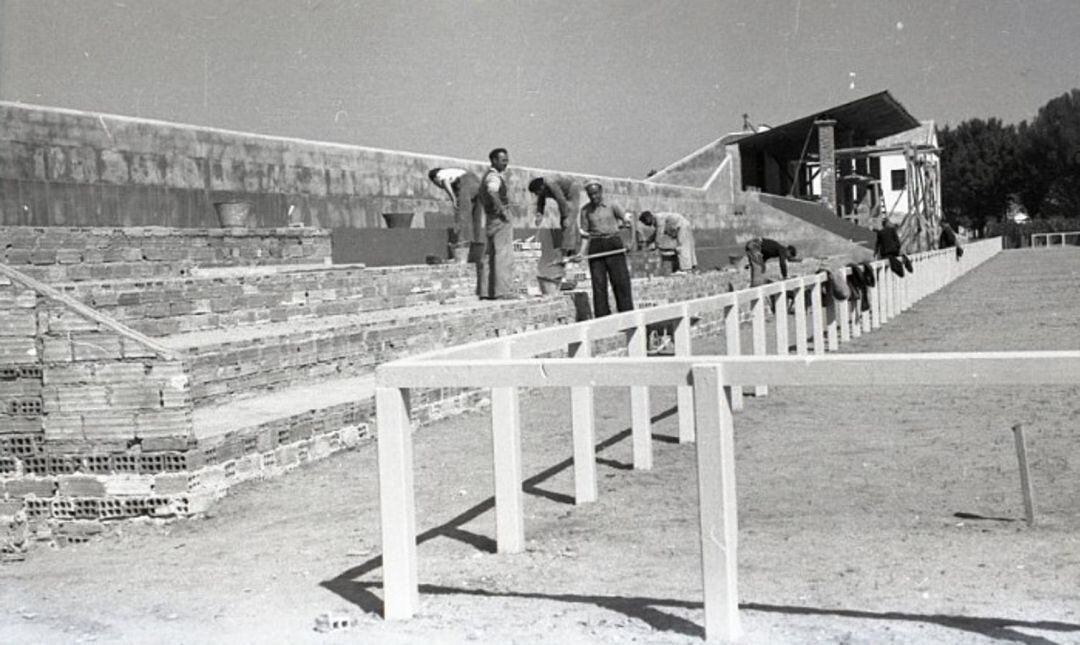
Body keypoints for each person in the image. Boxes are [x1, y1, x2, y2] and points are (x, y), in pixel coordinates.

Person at [578, 181, 634, 316]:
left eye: (596, 193)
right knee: (598, 284)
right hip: (596, 245)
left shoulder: (613, 205)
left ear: (601, 192)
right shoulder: (585, 211)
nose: (593, 197)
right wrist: (581, 252)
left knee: (621, 282)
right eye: (590, 194)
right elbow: (585, 235)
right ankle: (602, 318)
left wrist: (630, 242)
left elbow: (630, 223)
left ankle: (627, 315)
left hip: (613, 243)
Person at [477, 148, 516, 299]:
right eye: (503, 160)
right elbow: (492, 192)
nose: (506, 163)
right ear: (494, 160)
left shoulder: (487, 176)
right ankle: (503, 292)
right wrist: (503, 211)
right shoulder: (494, 177)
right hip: (499, 219)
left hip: (490, 218)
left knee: (490, 255)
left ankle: (486, 292)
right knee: (503, 255)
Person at [527, 176, 581, 256]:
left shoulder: (551, 184)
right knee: (569, 222)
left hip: (572, 191)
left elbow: (561, 200)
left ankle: (568, 251)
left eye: (536, 192)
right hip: (564, 195)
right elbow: (541, 203)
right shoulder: (543, 188)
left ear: (541, 187)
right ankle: (575, 248)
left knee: (568, 221)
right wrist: (539, 215)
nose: (536, 194)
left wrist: (565, 216)